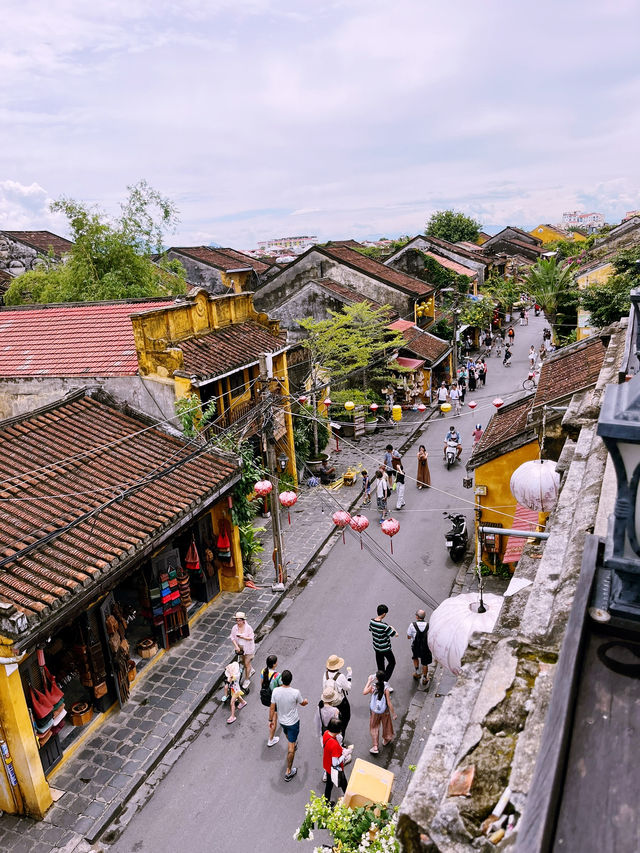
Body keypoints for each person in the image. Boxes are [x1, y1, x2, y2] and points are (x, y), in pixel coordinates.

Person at [270, 670, 308, 782]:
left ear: (281, 680)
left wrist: (270, 720)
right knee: (291, 748)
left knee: (288, 736)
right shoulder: (295, 692)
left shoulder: (276, 691)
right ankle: (288, 771)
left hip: (282, 721)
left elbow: (272, 707)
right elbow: (303, 703)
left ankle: (293, 743)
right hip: (293, 722)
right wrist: (306, 701)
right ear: (291, 680)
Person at [363, 671, 396, 754]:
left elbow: (364, 692)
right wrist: (394, 713)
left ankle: (375, 747)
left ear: (376, 678)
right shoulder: (386, 688)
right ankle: (386, 739)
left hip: (375, 711)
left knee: (374, 726)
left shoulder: (373, 687)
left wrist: (369, 681)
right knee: (386, 724)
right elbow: (389, 702)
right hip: (384, 710)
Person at [322, 718, 353, 802]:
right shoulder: (334, 745)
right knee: (343, 783)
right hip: (335, 768)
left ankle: (326, 803)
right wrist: (345, 754)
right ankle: (348, 800)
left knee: (329, 785)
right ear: (338, 731)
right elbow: (336, 763)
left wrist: (342, 749)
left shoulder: (326, 734)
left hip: (327, 765)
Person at [322, 654, 353, 740]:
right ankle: (340, 737)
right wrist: (349, 676)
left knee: (331, 720)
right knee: (346, 718)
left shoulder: (325, 675)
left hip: (329, 701)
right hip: (340, 702)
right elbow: (348, 687)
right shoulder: (341, 676)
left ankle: (331, 735)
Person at [369, 604, 397, 683]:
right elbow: (394, 634)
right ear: (384, 614)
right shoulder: (384, 626)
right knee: (392, 662)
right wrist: (392, 628)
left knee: (380, 666)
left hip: (376, 647)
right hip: (385, 648)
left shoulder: (371, 621)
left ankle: (381, 681)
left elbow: (370, 629)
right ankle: (385, 681)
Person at [261, 654, 283, 746]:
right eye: (276, 661)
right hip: (275, 699)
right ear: (274, 664)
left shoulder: (263, 671)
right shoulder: (277, 675)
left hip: (267, 696)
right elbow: (282, 687)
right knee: (274, 717)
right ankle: (271, 739)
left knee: (275, 713)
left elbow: (262, 683)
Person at [407, 609, 432, 687]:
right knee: (425, 663)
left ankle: (417, 673)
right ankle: (425, 678)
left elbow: (408, 636)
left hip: (415, 647)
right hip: (425, 647)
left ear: (417, 617)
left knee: (415, 657)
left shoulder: (412, 625)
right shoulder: (429, 625)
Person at [230, 612, 255, 689]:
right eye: (237, 620)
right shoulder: (235, 628)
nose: (238, 622)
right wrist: (236, 646)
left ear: (243, 620)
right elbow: (232, 638)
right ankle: (251, 669)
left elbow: (251, 637)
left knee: (246, 664)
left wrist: (243, 637)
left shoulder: (248, 628)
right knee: (244, 662)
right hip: (240, 648)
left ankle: (247, 679)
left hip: (248, 648)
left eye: (240, 620)